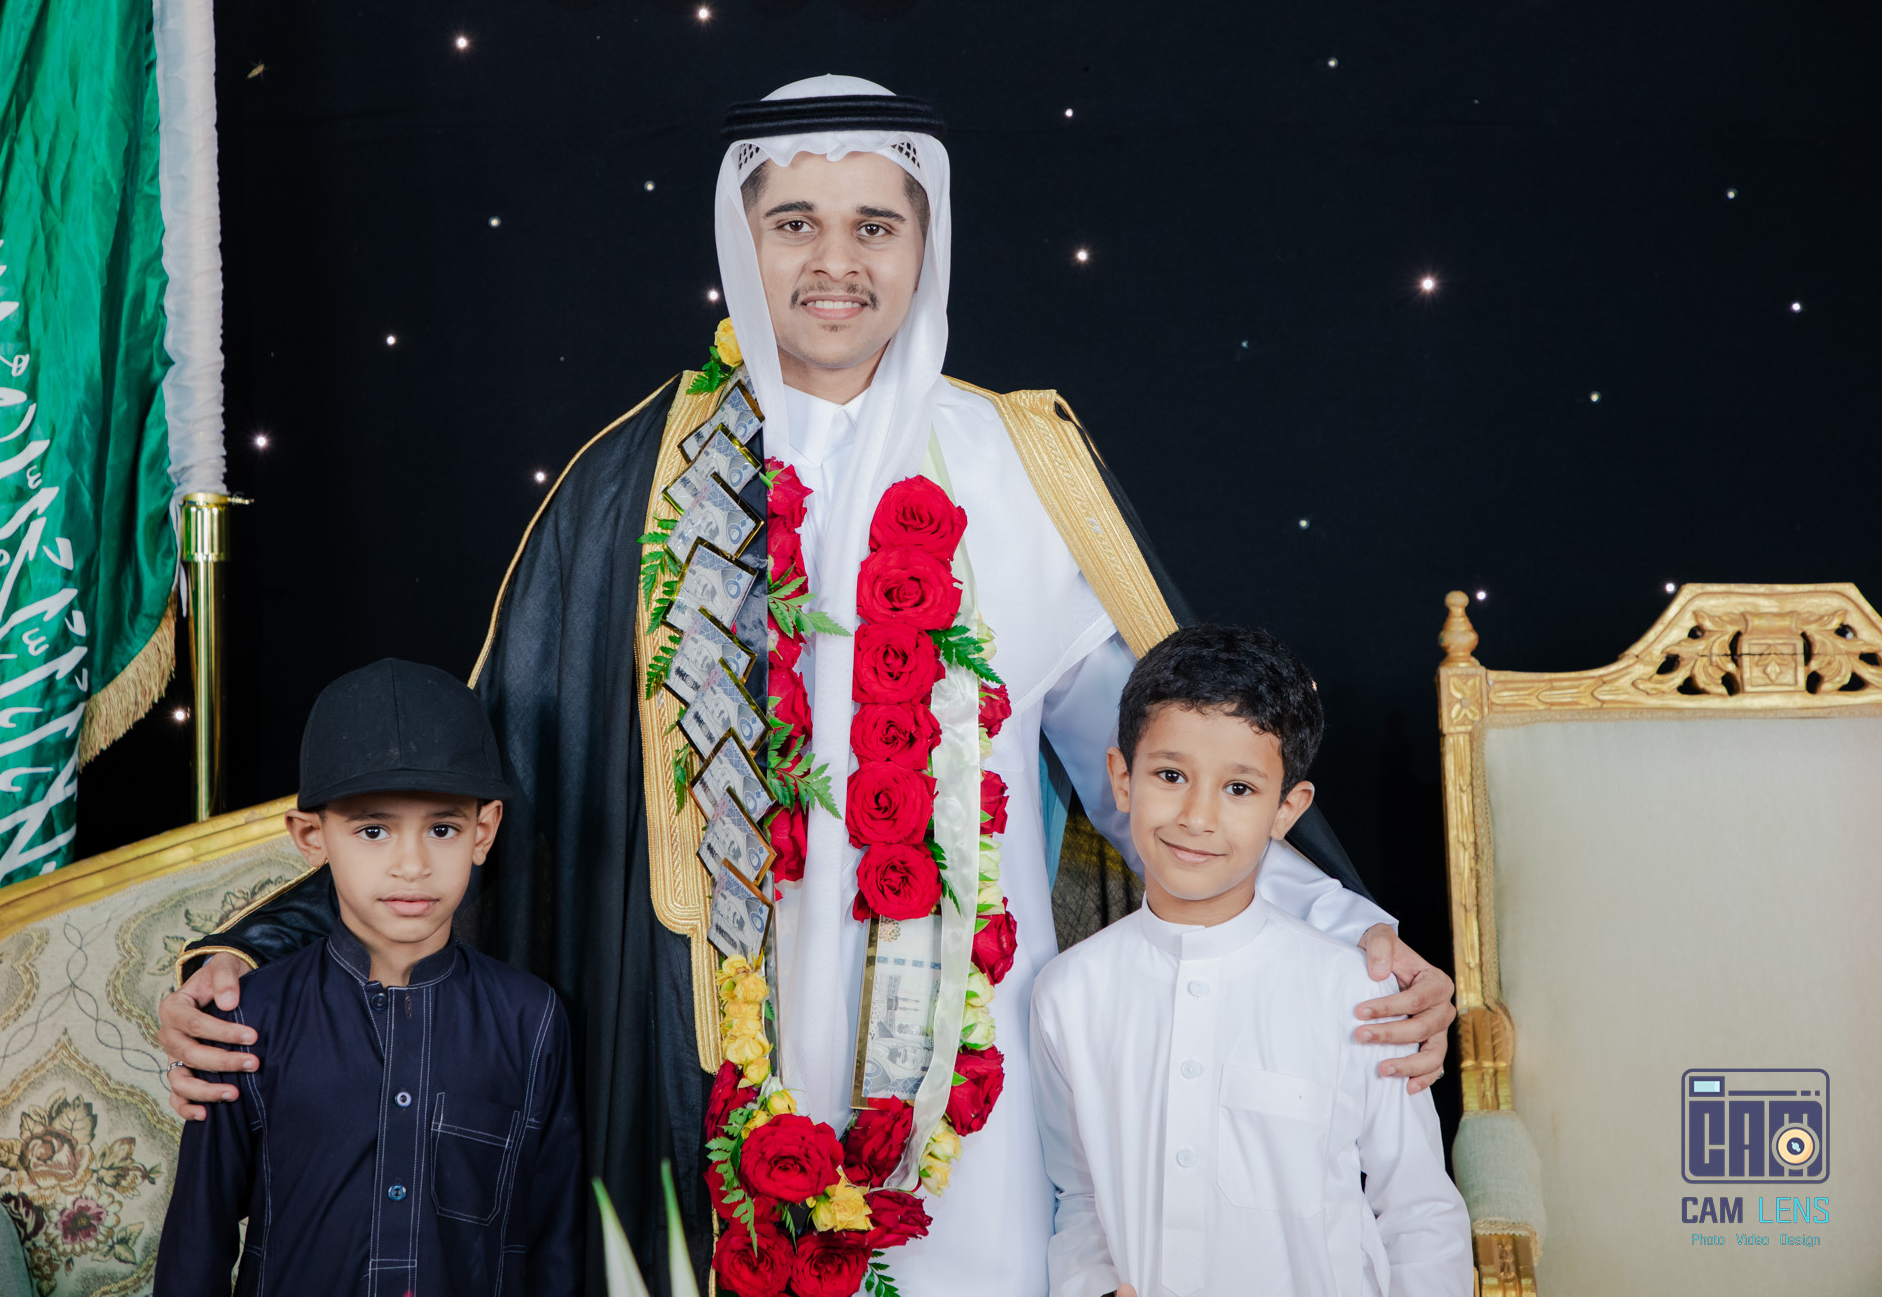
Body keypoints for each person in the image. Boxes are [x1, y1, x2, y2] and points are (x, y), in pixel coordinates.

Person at [155, 77, 1457, 1293]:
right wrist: (254, 954)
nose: (836, 261)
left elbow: (1166, 775)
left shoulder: (1020, 465)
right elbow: (484, 774)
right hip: (711, 1047)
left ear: (924, 243)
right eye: (795, 224)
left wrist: (1350, 938)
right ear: (742, 240)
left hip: (964, 1054)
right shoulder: (637, 483)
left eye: (874, 225)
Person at [1031, 626, 1471, 1297]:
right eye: (1171, 776)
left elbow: (1419, 1213)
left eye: (1239, 788)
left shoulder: (1355, 992)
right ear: (1122, 778)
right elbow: (1081, 1198)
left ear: (1287, 809)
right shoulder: (1068, 994)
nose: (1198, 817)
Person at [153, 660, 580, 1297]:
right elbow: (197, 1246)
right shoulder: (246, 1021)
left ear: (484, 831)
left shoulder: (530, 1019)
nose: (412, 864)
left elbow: (555, 1244)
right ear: (311, 837)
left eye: (442, 829)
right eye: (373, 830)